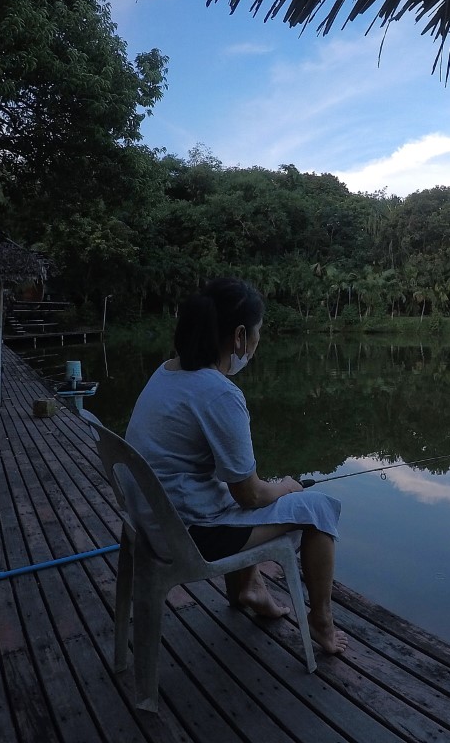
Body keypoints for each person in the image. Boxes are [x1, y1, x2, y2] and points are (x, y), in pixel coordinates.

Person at [125, 277, 347, 656]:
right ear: (240, 337)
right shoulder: (219, 393)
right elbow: (250, 495)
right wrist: (287, 487)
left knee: (240, 489)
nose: (256, 346)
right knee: (320, 509)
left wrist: (267, 488)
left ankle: (250, 588)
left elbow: (233, 483)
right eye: (258, 336)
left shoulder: (167, 372)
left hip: (151, 524)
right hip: (191, 536)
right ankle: (322, 623)